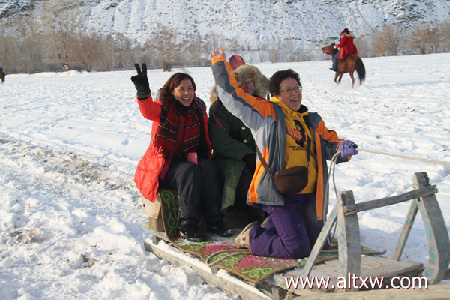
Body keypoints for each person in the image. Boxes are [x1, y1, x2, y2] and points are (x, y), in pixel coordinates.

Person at [210, 49, 358, 259]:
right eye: (288, 90)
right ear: (276, 94)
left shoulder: (311, 120)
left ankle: (274, 226)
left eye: (297, 88)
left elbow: (329, 143)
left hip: (309, 196)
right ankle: (253, 235)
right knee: (297, 249)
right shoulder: (265, 113)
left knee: (319, 244)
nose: (294, 93)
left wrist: (343, 148)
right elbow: (232, 97)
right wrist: (219, 65)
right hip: (280, 194)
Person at [131, 63, 231, 242]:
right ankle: (188, 224)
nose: (187, 93)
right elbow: (148, 111)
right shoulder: (164, 108)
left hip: (188, 158)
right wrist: (143, 94)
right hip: (165, 164)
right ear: (172, 91)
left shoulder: (198, 109)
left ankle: (214, 219)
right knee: (188, 171)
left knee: (208, 168)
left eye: (190, 89)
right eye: (181, 89)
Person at [209, 63, 269, 225]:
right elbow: (220, 141)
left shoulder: (261, 105)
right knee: (242, 171)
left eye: (251, 81)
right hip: (228, 158)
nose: (247, 85)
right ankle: (253, 210)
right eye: (242, 81)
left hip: (258, 154)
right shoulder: (219, 107)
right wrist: (249, 154)